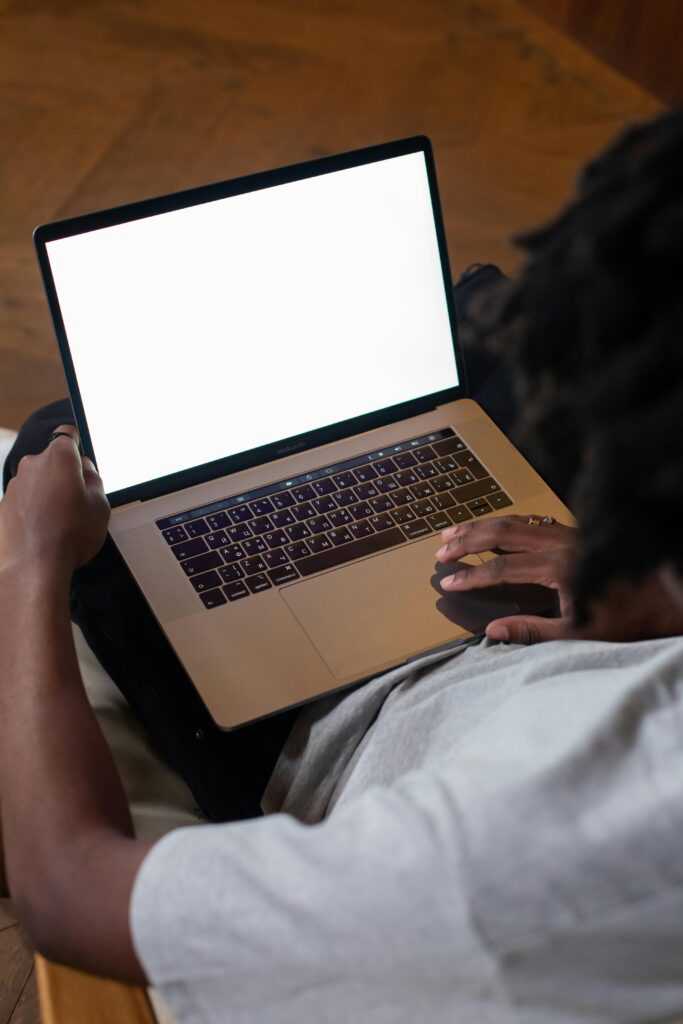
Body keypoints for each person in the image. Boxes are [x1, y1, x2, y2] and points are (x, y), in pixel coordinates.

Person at [1, 109, 683, 1021]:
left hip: (331, 726)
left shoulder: (471, 875)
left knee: (55, 443)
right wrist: (660, 590)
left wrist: (28, 565)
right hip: (571, 612)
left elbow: (67, 892)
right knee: (479, 315)